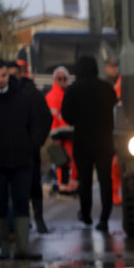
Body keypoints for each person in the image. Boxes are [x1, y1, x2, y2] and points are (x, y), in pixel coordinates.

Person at [0, 58, 47, 259]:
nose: (0, 80)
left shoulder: (22, 96)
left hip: (21, 160)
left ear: (9, 74)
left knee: (21, 201)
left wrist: (32, 144)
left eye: (4, 75)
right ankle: (3, 246)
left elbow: (35, 123)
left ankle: (23, 247)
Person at [61, 55, 118, 232]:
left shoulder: (73, 90)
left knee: (84, 180)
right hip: (105, 141)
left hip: (82, 141)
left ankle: (86, 215)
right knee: (105, 180)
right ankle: (104, 218)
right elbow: (115, 112)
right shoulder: (107, 88)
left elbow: (66, 115)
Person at [13, 61, 54, 233]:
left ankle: (38, 218)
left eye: (15, 74)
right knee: (14, 187)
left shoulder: (32, 93)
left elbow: (46, 117)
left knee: (34, 185)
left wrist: (37, 141)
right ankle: (20, 221)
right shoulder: (0, 94)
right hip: (6, 150)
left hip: (29, 149)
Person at [45, 66, 77, 194]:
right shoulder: (52, 96)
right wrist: (55, 136)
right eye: (59, 79)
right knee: (61, 160)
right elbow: (52, 118)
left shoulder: (66, 93)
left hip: (69, 132)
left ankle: (68, 183)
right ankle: (62, 184)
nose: (63, 81)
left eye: (65, 78)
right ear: (54, 79)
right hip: (60, 133)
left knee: (69, 159)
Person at [104, 55, 123, 205]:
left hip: (122, 124)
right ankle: (114, 193)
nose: (114, 69)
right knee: (114, 163)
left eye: (115, 66)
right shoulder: (105, 84)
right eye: (111, 66)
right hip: (110, 126)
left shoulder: (122, 81)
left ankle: (119, 192)